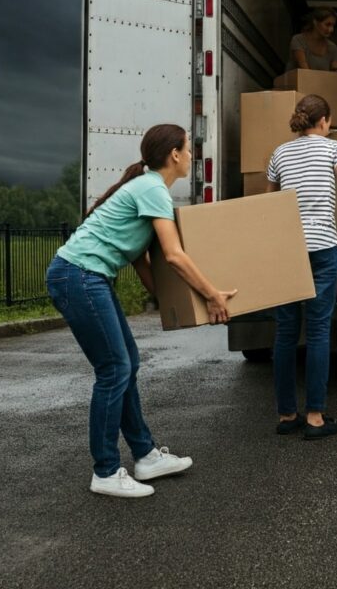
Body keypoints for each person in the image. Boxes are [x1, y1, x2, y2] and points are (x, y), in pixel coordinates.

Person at [45, 124, 237, 497]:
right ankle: (105, 471)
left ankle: (145, 456)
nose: (192, 156)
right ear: (175, 155)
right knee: (114, 369)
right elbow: (174, 255)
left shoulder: (148, 186)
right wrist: (212, 295)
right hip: (79, 276)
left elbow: (140, 261)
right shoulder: (152, 189)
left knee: (126, 363)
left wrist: (169, 304)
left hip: (84, 277)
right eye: (188, 149)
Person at [265, 94, 337, 439]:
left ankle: (287, 415)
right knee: (317, 331)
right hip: (322, 248)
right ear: (325, 121)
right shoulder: (333, 149)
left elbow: (268, 201)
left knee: (285, 332)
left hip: (287, 249)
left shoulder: (279, 153)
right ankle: (315, 416)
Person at [287, 7, 337, 71]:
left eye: (333, 25)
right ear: (315, 22)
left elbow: (336, 72)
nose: (331, 30)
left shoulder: (332, 47)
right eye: (327, 25)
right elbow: (304, 69)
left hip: (321, 81)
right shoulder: (298, 40)